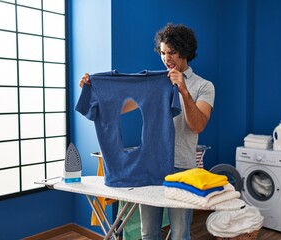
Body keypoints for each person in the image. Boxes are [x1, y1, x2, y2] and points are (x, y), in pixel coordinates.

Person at [79, 23, 215, 240]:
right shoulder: (156, 85)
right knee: (148, 232)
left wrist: (183, 91)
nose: (166, 57)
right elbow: (121, 107)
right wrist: (94, 88)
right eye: (162, 52)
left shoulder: (204, 86)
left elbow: (198, 125)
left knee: (180, 233)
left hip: (182, 168)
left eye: (172, 52)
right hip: (151, 166)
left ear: (185, 51)